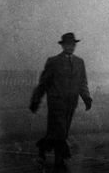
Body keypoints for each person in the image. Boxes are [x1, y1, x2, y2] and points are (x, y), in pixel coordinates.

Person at [29, 32, 92, 168]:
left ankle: (42, 149)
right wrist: (36, 100)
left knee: (58, 132)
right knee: (61, 132)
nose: (70, 47)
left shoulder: (79, 62)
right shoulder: (53, 61)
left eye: (73, 44)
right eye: (68, 44)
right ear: (63, 46)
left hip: (71, 104)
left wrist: (86, 98)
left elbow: (82, 82)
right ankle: (60, 160)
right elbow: (43, 83)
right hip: (56, 104)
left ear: (75, 46)